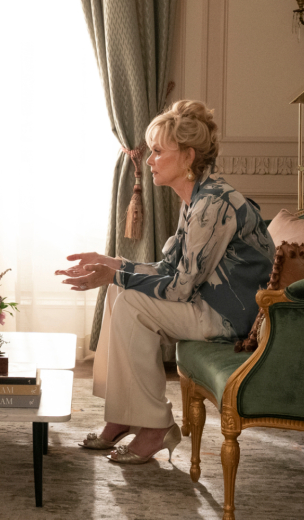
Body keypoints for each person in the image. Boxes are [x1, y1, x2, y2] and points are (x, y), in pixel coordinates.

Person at [55, 100, 275, 464]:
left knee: (128, 300)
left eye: (157, 151)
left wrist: (118, 274)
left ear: (187, 157)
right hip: (208, 303)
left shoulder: (212, 205)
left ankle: (155, 428)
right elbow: (172, 267)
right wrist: (116, 265)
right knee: (119, 289)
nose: (149, 159)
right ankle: (123, 416)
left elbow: (179, 287)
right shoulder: (197, 198)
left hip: (230, 318)